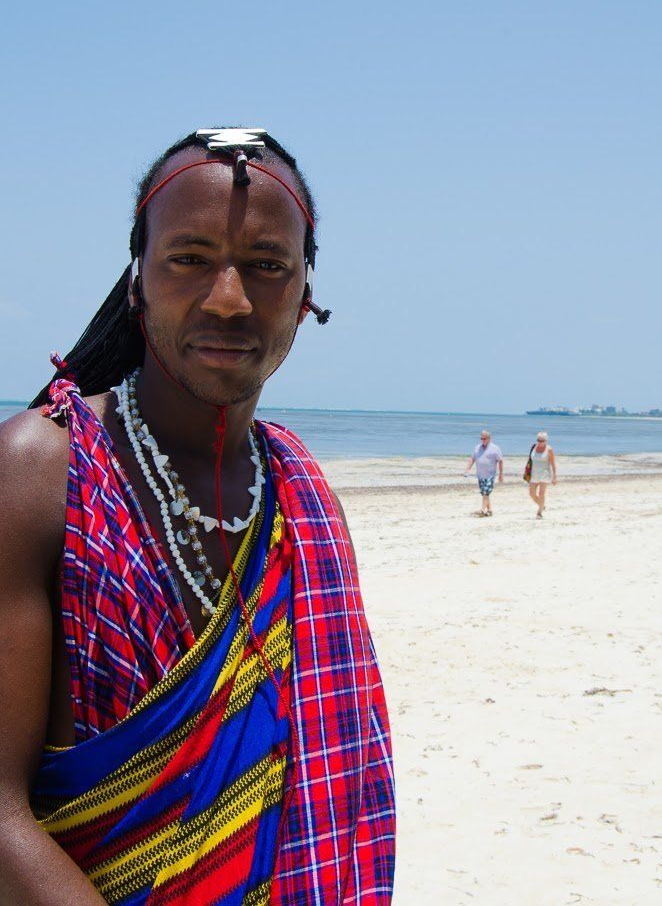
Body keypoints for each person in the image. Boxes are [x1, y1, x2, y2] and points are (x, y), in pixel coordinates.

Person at [0, 128, 395, 904]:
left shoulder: (307, 500)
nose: (229, 299)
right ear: (137, 280)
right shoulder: (38, 476)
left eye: (267, 266)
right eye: (189, 257)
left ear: (305, 294)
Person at [465, 429, 504, 516]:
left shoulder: (495, 448)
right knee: (484, 493)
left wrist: (501, 474)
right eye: (481, 438)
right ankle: (489, 510)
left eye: (484, 439)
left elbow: (500, 461)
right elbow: (472, 459)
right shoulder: (477, 448)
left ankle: (483, 510)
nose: (483, 440)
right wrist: (467, 469)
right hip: (480, 475)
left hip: (490, 475)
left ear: (489, 438)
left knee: (486, 492)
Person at [528, 430, 557, 518]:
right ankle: (542, 505)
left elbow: (553, 464)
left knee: (541, 494)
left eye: (542, 440)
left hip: (545, 474)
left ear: (546, 441)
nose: (539, 442)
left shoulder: (549, 449)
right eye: (538, 440)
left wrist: (554, 477)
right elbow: (530, 461)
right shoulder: (533, 447)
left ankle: (539, 512)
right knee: (532, 494)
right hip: (534, 474)